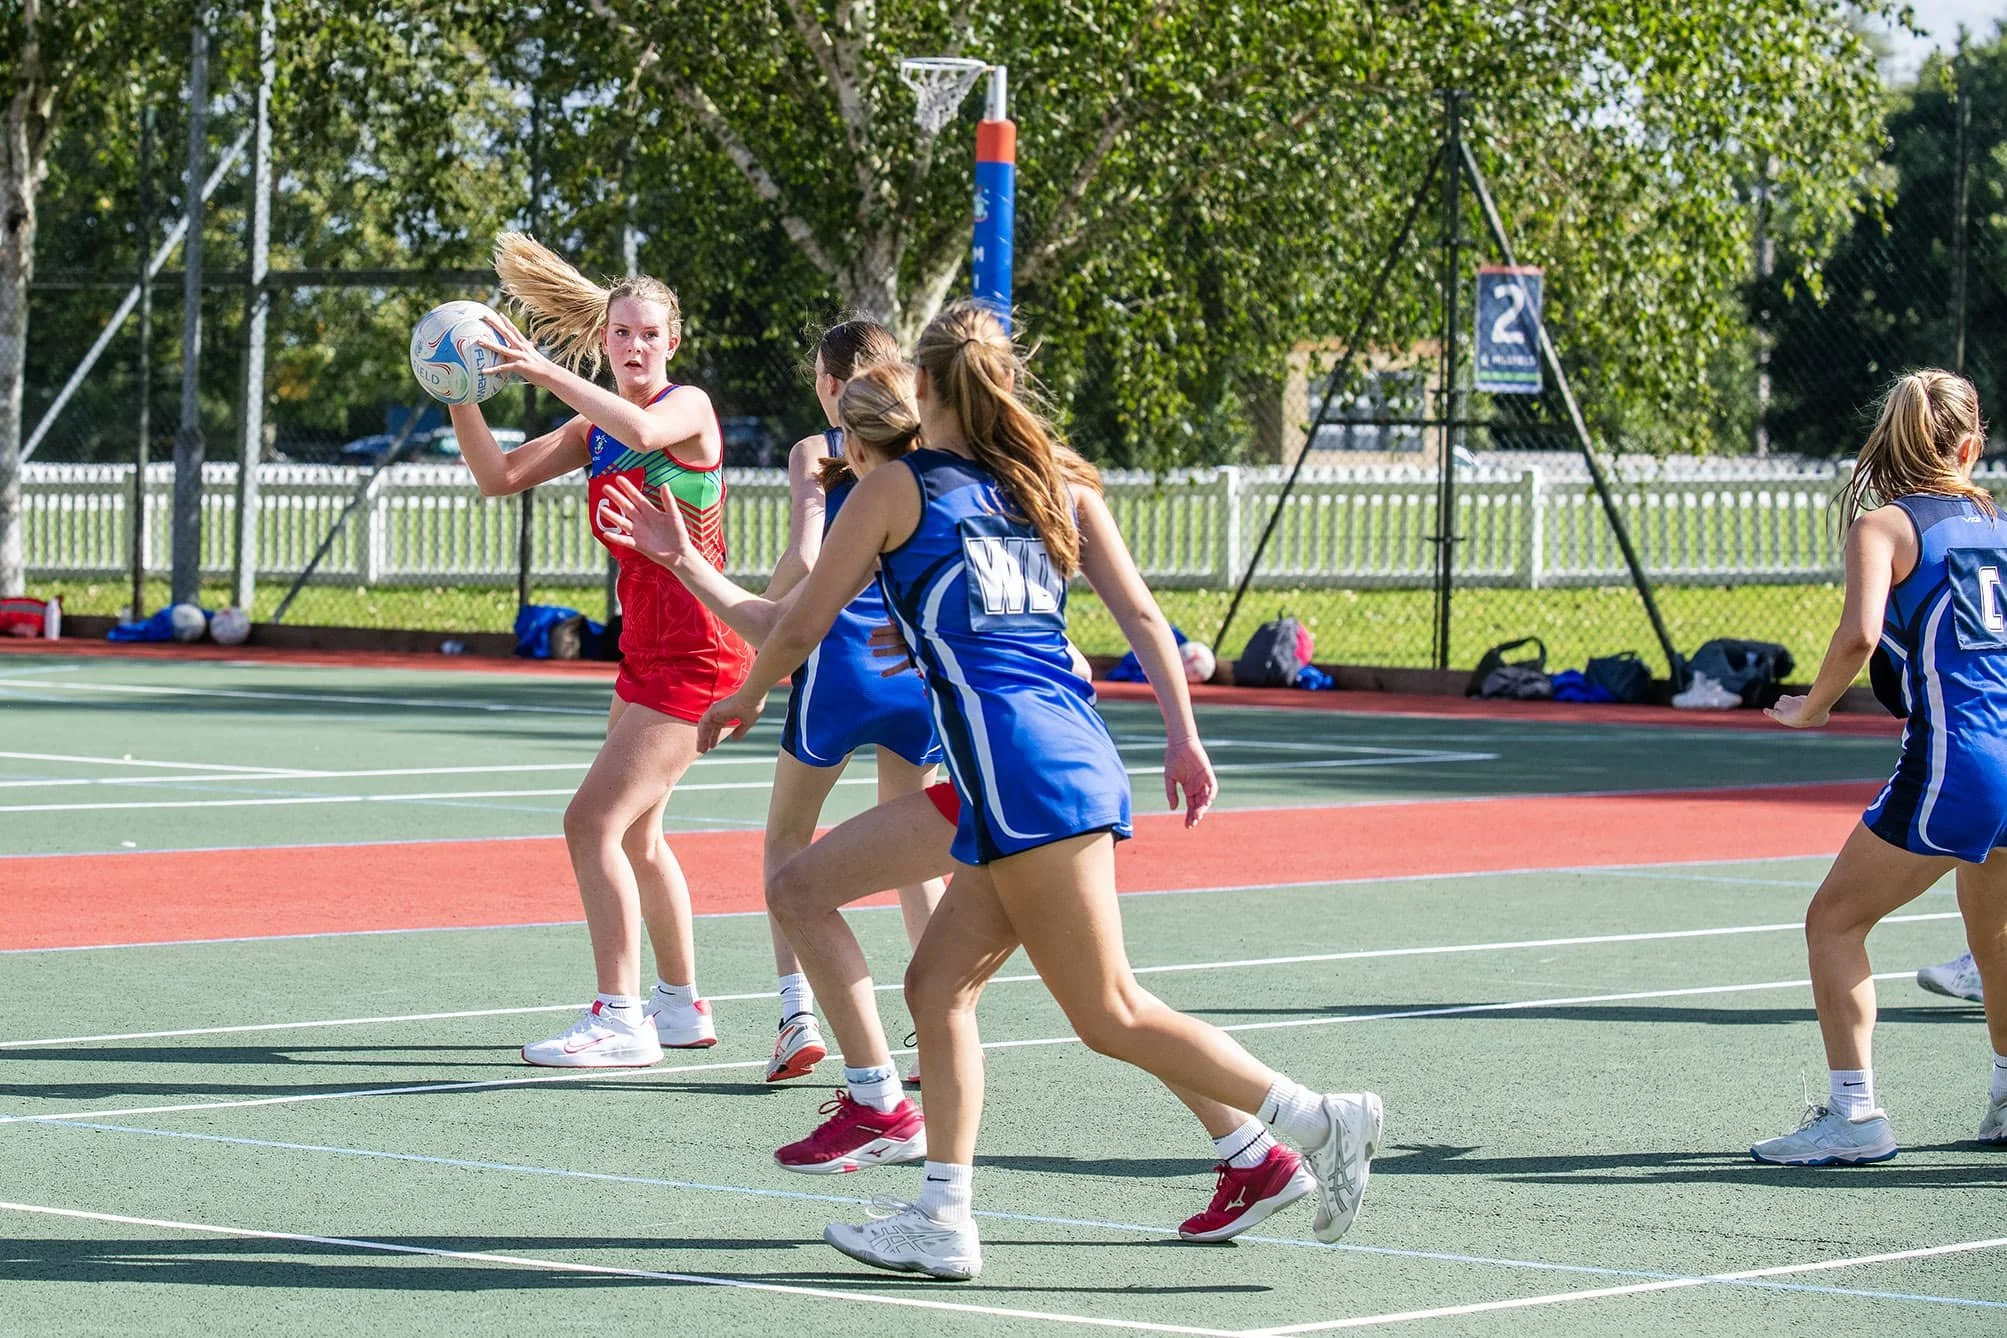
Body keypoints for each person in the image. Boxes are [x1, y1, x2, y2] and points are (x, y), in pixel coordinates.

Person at [689, 303, 1380, 1280]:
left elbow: (798, 625)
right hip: (1057, 762)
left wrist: (747, 697)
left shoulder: (899, 490)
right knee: (935, 985)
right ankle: (957, 1212)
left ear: (928, 391)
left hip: (1017, 777)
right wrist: (1182, 740)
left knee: (1109, 1012)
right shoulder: (1054, 482)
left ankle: (1315, 1120)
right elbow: (1142, 616)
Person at [449, 232, 752, 1068]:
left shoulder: (682, 409)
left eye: (649, 333)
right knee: (639, 839)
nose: (635, 346)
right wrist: (457, 389)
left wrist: (542, 371)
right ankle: (679, 1006)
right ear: (605, 338)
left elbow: (647, 429)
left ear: (673, 343)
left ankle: (619, 1019)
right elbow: (497, 477)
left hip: (698, 649)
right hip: (645, 649)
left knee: (591, 823)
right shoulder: (593, 430)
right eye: (622, 333)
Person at [1754, 369, 2007, 1165]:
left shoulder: (1885, 528)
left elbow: (1858, 638)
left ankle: (1854, 1115)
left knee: (1832, 922)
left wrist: (1813, 705)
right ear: (1970, 445)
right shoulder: (1996, 524)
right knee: (1994, 934)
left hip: (1958, 763)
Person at [752, 321, 947, 1086]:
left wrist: (758, 621)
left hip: (836, 661)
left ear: (831, 385)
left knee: (787, 840)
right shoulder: (924, 448)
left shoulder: (819, 449)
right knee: (912, 856)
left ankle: (796, 1011)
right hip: (910, 667)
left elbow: (806, 559)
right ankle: (938, 1025)